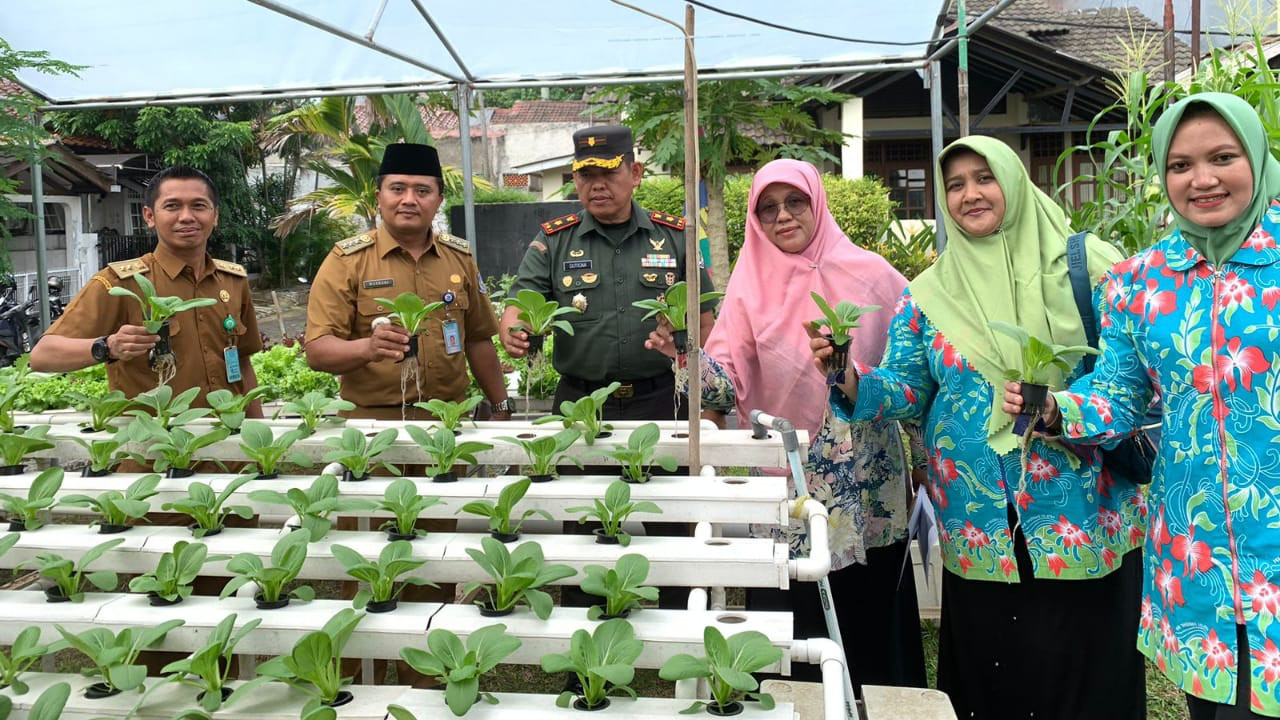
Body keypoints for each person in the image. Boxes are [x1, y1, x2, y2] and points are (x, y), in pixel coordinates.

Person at [811, 136, 1146, 719]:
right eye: (955, 185)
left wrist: (1060, 409)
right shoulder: (928, 294)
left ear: (1013, 181)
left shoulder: (1091, 267)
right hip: (978, 524)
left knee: (1083, 682)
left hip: (1079, 516)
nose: (970, 194)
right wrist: (850, 379)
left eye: (984, 178)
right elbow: (908, 388)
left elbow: (1128, 379)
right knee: (995, 682)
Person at [1004, 93, 1280, 720]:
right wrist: (1056, 410)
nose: (1202, 179)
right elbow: (1119, 396)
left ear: (1257, 158)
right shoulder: (1139, 281)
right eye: (1180, 165)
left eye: (1223, 158)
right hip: (1196, 552)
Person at [646, 158, 926, 690]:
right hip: (789, 478)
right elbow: (725, 386)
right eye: (767, 208)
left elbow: (913, 374)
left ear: (817, 203)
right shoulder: (748, 289)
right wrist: (685, 355)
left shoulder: (874, 275)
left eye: (795, 201)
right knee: (794, 611)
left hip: (869, 478)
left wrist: (924, 462)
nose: (783, 216)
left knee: (869, 617)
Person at [499, 124, 716, 420]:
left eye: (609, 173)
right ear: (575, 178)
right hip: (580, 403)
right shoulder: (554, 241)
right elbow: (518, 307)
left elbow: (705, 324)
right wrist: (515, 333)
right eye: (586, 175)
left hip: (665, 400)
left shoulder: (675, 238)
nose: (597, 185)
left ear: (635, 173)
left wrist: (707, 393)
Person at [305, 142, 514, 420]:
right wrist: (369, 348)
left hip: (449, 419)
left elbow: (478, 340)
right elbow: (317, 351)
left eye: (423, 191)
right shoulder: (347, 261)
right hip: (374, 424)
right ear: (379, 196)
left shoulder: (459, 257)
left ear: (439, 201)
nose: (409, 200)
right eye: (397, 189)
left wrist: (500, 405)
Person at [31, 166, 263, 412]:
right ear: (149, 216)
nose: (186, 217)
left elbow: (242, 362)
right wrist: (109, 346)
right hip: (155, 433)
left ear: (215, 216)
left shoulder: (232, 281)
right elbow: (42, 356)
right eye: (172, 206)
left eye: (199, 206)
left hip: (226, 430)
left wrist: (258, 428)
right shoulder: (120, 284)